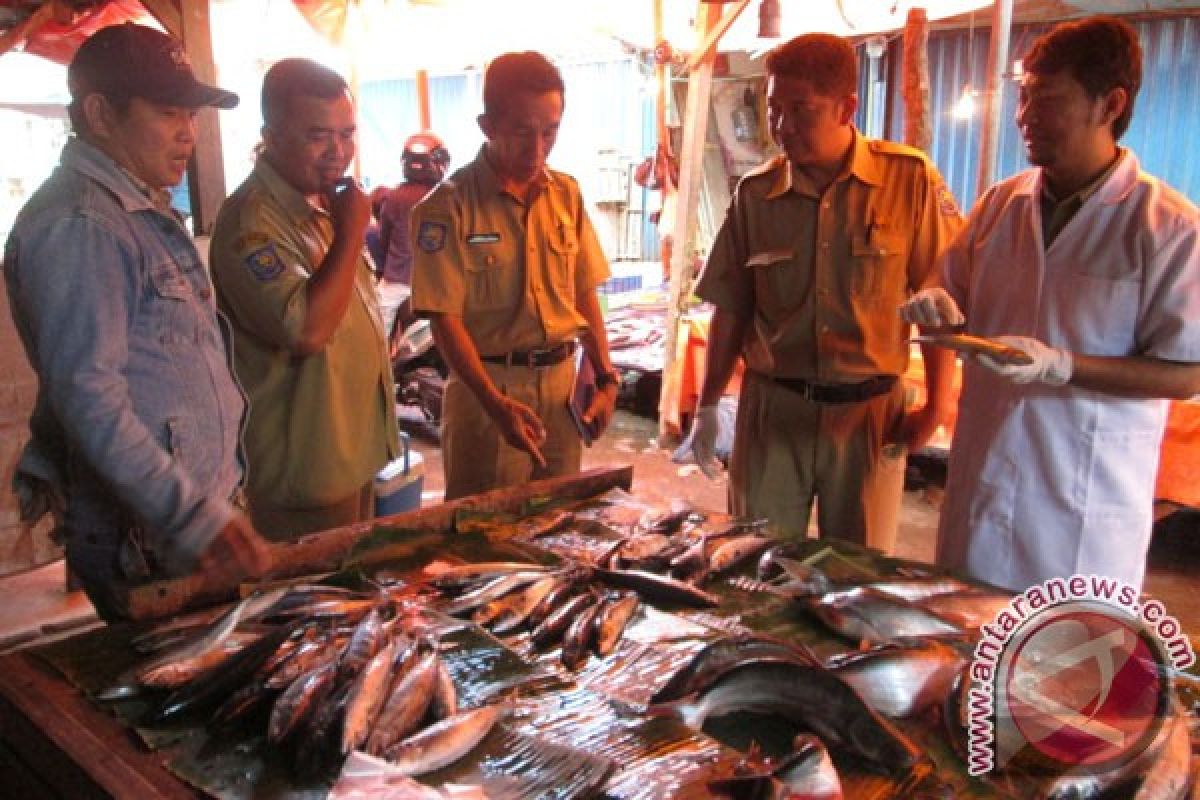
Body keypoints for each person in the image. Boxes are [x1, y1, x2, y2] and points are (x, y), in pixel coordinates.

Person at [901, 16, 1200, 592]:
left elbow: (1186, 373)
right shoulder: (999, 204)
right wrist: (936, 297)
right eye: (1023, 96)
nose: (1024, 116)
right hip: (983, 493)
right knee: (968, 652)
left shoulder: (1167, 228)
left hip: (1083, 508)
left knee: (1067, 667)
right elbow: (952, 282)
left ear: (1109, 104)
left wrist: (1065, 366)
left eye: (1048, 99)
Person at [2, 23, 273, 621]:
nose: (188, 135)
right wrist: (191, 514)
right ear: (100, 114)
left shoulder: (134, 208)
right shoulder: (82, 225)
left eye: (192, 116)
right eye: (170, 114)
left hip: (179, 525)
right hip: (149, 536)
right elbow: (88, 397)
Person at [675, 33, 961, 553]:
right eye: (773, 109)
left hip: (870, 417)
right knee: (754, 563)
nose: (782, 127)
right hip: (773, 411)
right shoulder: (756, 195)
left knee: (859, 577)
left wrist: (938, 405)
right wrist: (709, 404)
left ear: (846, 107)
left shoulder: (909, 180)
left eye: (800, 110)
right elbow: (732, 307)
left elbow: (941, 304)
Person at [410, 51, 619, 500]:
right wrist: (494, 404)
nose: (538, 149)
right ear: (488, 127)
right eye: (523, 132)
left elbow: (584, 290)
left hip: (563, 391)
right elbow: (444, 321)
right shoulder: (446, 208)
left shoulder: (566, 193)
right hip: (488, 391)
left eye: (551, 132)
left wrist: (606, 376)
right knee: (483, 538)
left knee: (561, 526)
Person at [210, 58, 398, 540]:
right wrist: (353, 231)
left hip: (349, 454)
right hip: (306, 471)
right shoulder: (253, 221)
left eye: (346, 133)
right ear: (271, 136)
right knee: (309, 605)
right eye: (318, 136)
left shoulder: (320, 205)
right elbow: (307, 329)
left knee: (354, 600)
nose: (338, 152)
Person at [377, 132, 450, 356]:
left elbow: (383, 239)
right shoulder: (449, 196)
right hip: (436, 285)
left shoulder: (393, 196)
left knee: (374, 341)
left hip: (395, 282)